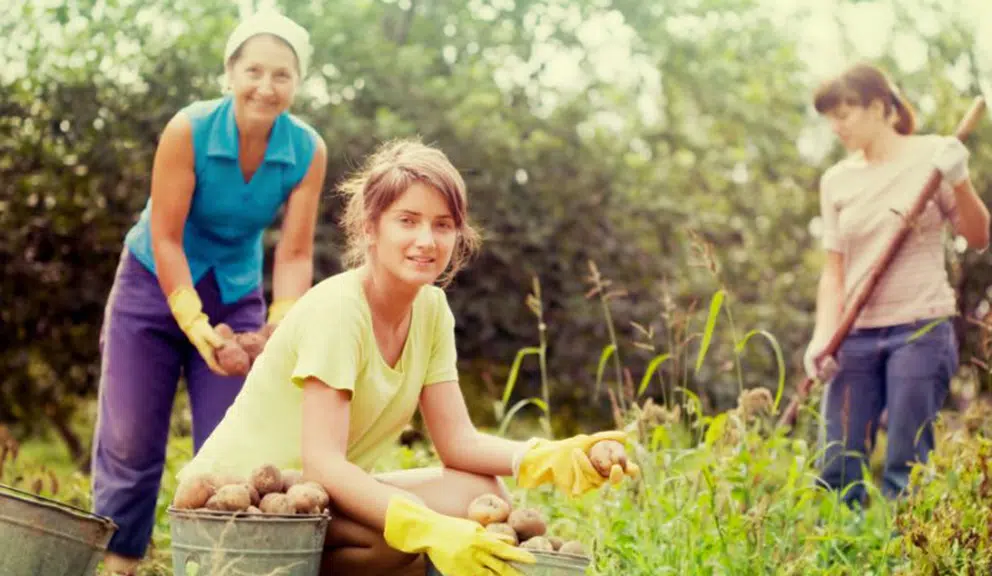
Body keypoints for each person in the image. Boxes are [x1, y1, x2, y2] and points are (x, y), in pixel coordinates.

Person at [177, 138, 639, 576]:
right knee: (400, 538)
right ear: (369, 226)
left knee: (479, 494)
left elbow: (458, 443)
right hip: (234, 506)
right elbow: (323, 464)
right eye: (408, 220)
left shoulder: (431, 309)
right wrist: (424, 525)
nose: (427, 239)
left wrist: (552, 457)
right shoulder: (339, 309)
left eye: (443, 225)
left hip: (313, 501)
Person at [91, 11, 328, 575]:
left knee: (235, 443)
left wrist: (277, 327)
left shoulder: (306, 150)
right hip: (152, 285)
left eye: (281, 76)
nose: (265, 88)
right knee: (129, 438)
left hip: (236, 294)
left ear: (297, 83)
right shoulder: (189, 130)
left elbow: (293, 254)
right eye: (253, 71)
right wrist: (197, 329)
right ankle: (121, 564)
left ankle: (221, 564)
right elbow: (166, 237)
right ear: (229, 72)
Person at [803, 62, 990, 507]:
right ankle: (839, 558)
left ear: (879, 107)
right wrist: (822, 339)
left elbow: (979, 236)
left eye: (843, 113)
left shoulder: (934, 155)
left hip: (920, 330)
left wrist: (960, 181)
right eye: (829, 116)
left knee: (907, 469)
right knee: (837, 463)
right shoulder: (836, 180)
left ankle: (904, 560)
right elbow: (835, 270)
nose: (835, 126)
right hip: (855, 336)